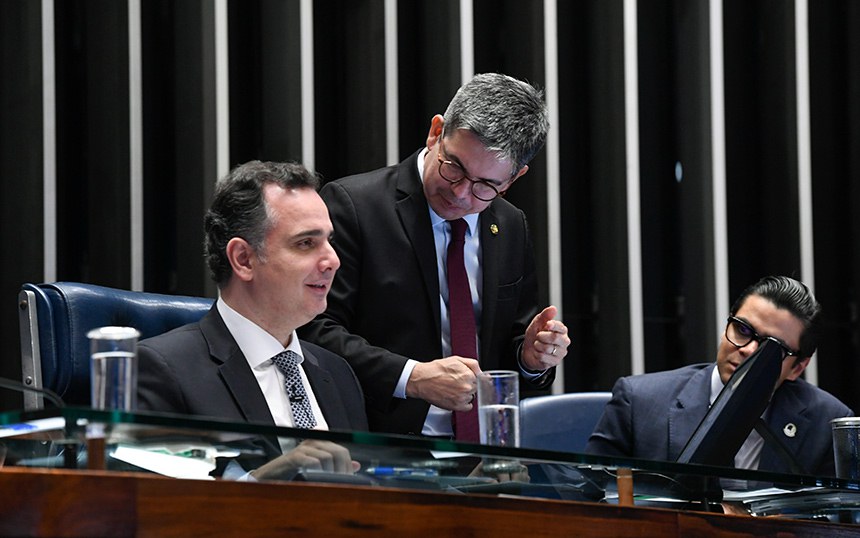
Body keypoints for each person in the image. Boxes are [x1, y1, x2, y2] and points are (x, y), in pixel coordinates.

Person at [300, 73, 571, 439]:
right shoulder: (354, 206)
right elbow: (313, 330)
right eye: (454, 167)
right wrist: (413, 377)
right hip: (381, 443)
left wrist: (531, 358)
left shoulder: (510, 224)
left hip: (485, 448)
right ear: (436, 132)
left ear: (512, 179)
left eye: (485, 185)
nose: (460, 193)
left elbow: (508, 344)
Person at [137, 160, 368, 479]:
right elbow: (157, 503)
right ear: (243, 259)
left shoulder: (339, 374)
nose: (333, 260)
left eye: (330, 240)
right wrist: (261, 482)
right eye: (306, 243)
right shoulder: (164, 371)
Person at [586, 275, 854, 476]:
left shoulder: (828, 422)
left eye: (773, 350)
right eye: (743, 330)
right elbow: (590, 499)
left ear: (797, 368)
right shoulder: (639, 401)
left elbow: (838, 519)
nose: (748, 350)